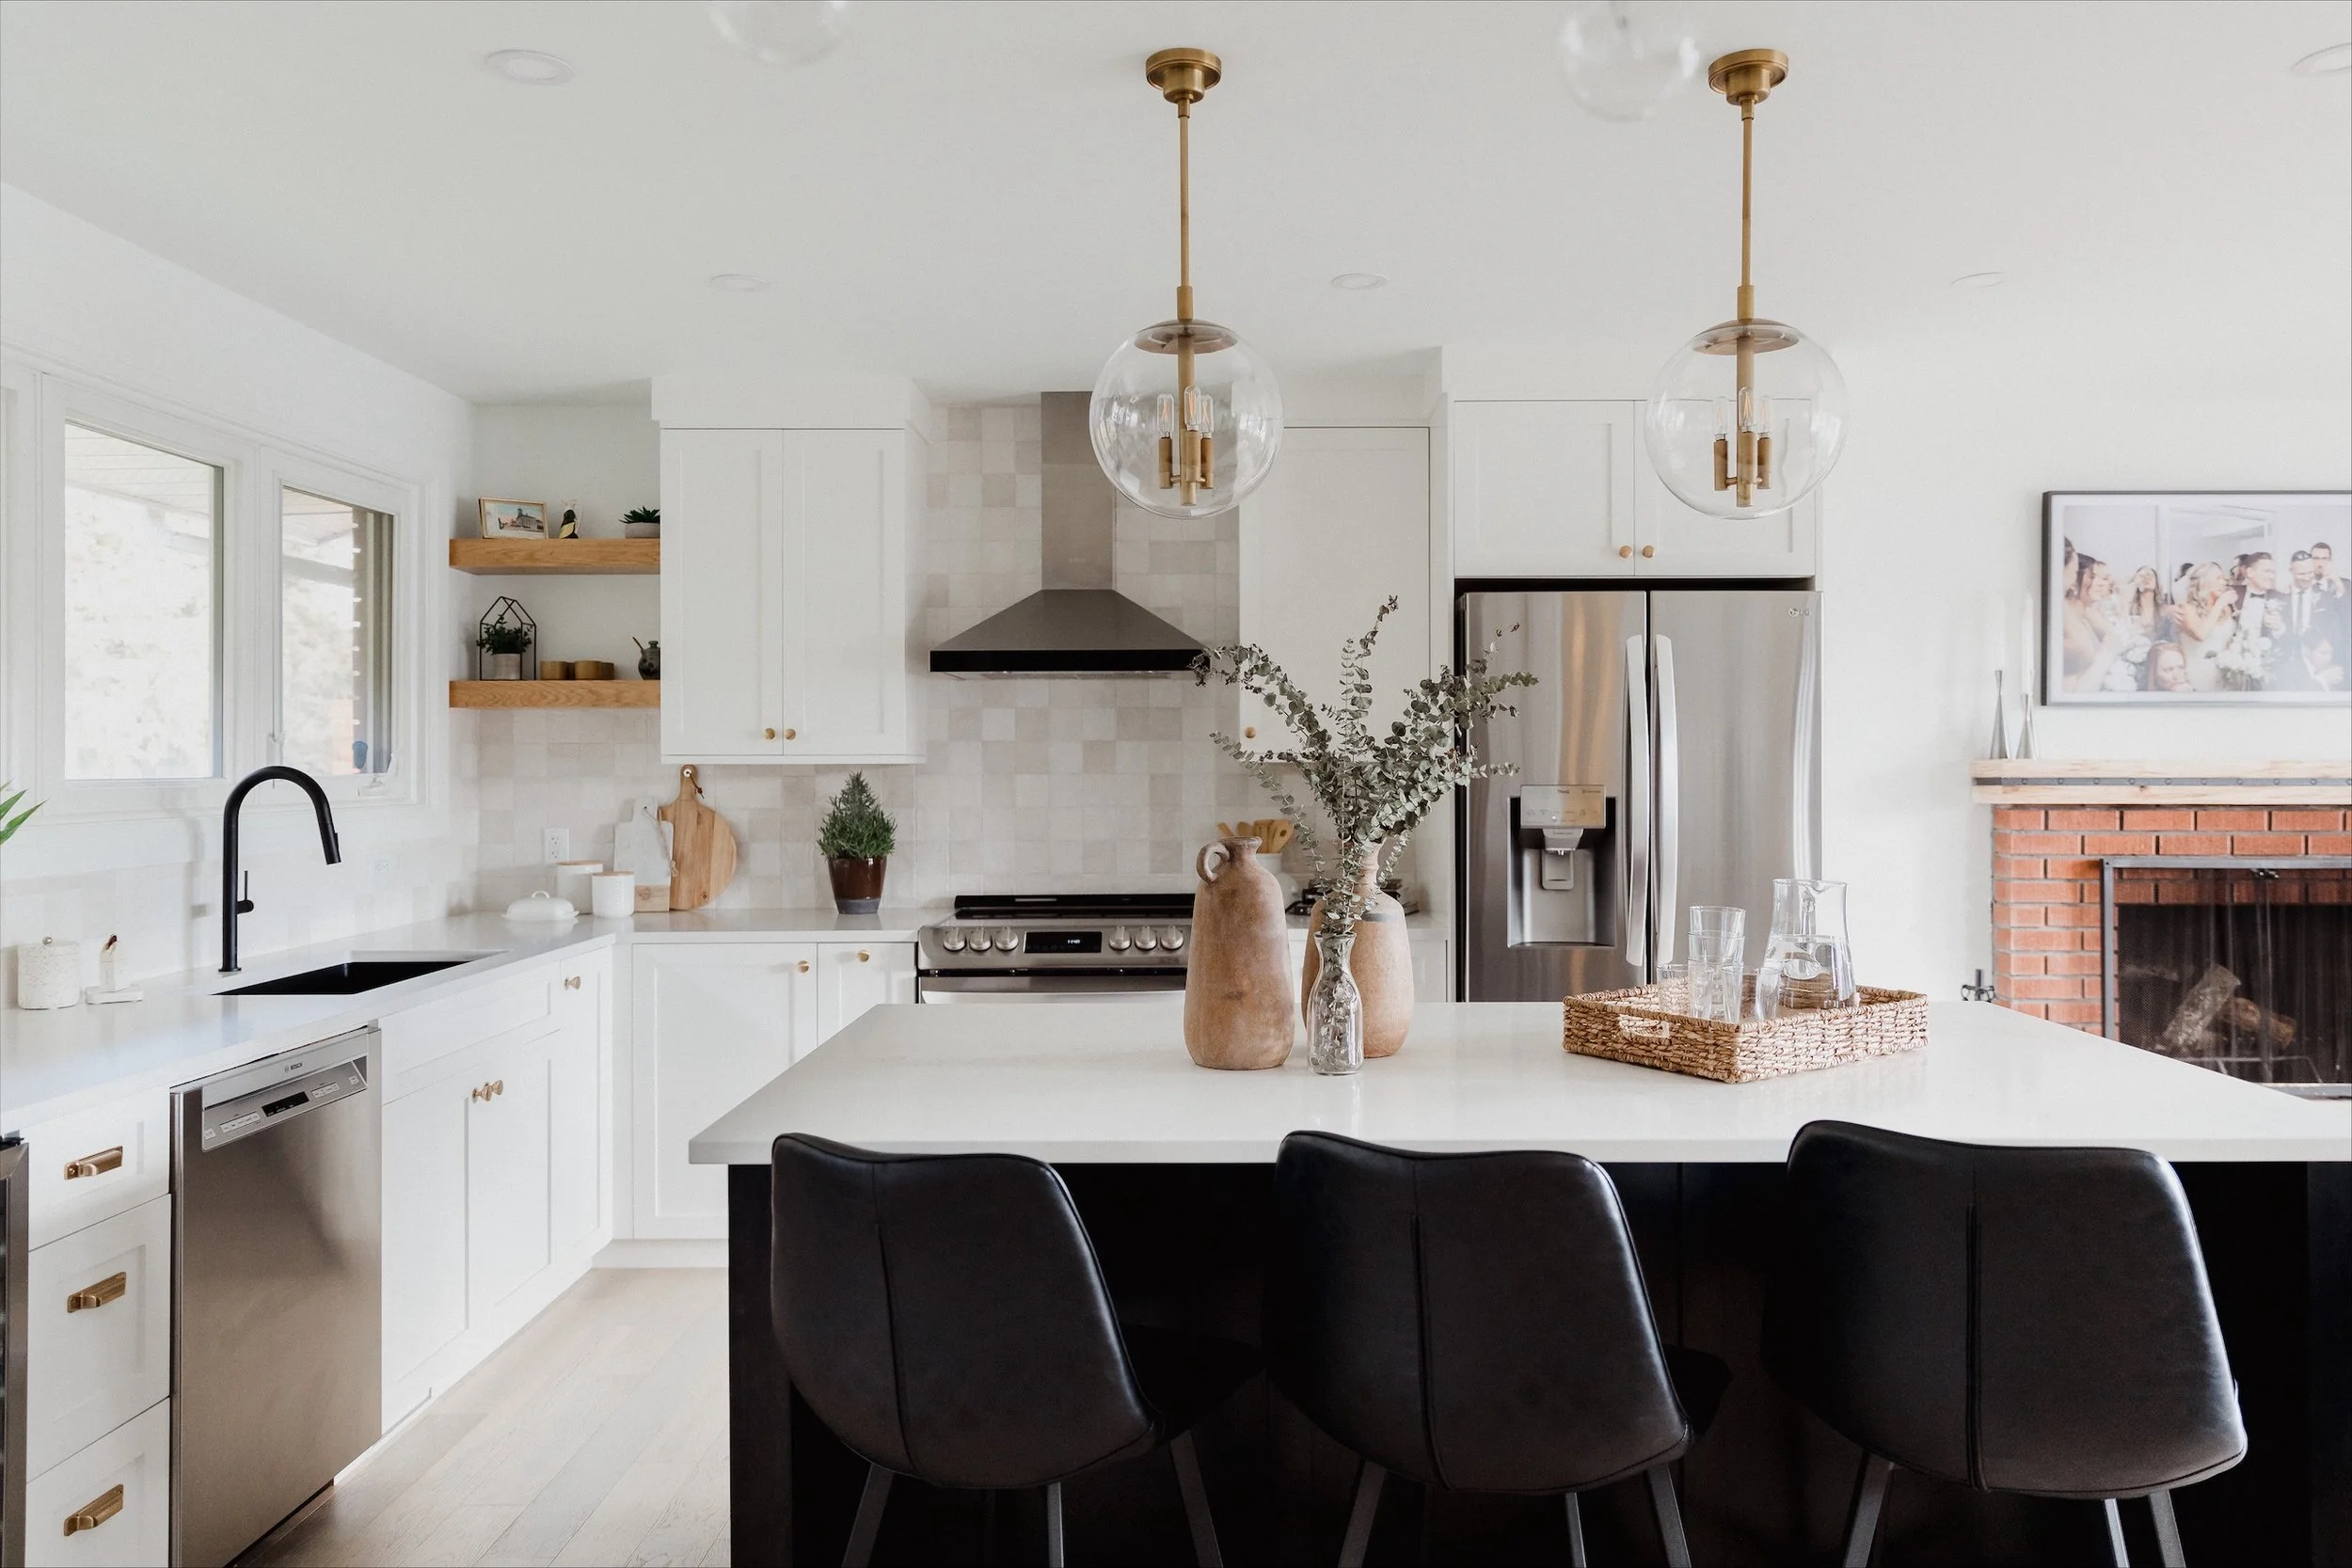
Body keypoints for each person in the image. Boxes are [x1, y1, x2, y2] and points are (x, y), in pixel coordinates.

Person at [2062, 554, 2135, 693]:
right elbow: (2073, 691)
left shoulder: (2083, 618)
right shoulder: (2070, 625)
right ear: (2073, 582)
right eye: (2093, 577)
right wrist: (2108, 651)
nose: (2102, 583)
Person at [2164, 562, 2236, 691]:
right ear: (2204, 582)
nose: (2224, 582)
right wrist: (2219, 604)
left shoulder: (2226, 610)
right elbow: (2201, 634)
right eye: (2218, 578)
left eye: (2223, 578)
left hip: (2225, 675)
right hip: (2197, 675)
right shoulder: (2187, 609)